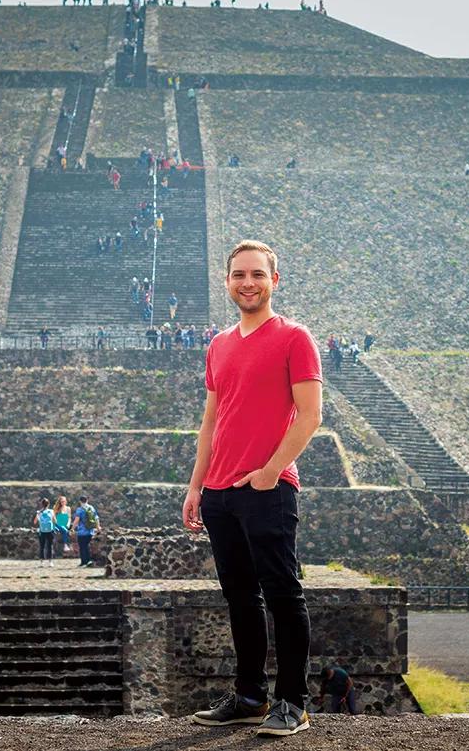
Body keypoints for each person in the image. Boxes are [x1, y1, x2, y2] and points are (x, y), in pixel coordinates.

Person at [183, 240, 323, 737]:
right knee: (240, 598)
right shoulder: (218, 344)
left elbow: (310, 416)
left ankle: (293, 702)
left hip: (267, 488)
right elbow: (210, 423)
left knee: (283, 595)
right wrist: (197, 485)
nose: (248, 283)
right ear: (227, 282)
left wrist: (269, 471)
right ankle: (248, 697)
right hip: (220, 493)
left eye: (257, 275)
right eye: (239, 275)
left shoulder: (294, 338)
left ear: (274, 280)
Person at [71, 495, 101, 567]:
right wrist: (98, 527)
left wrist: (72, 528)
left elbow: (77, 520)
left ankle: (84, 562)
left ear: (80, 501)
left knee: (82, 547)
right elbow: (96, 518)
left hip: (82, 532)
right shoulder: (91, 508)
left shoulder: (80, 509)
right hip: (90, 531)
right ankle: (89, 561)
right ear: (87, 500)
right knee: (87, 546)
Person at [32, 497, 57, 568]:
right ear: (48, 504)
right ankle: (50, 562)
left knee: (42, 546)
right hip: (50, 531)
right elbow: (55, 521)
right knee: (50, 546)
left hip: (42, 531)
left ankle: (41, 562)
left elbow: (35, 522)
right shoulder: (51, 511)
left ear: (41, 504)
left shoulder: (39, 512)